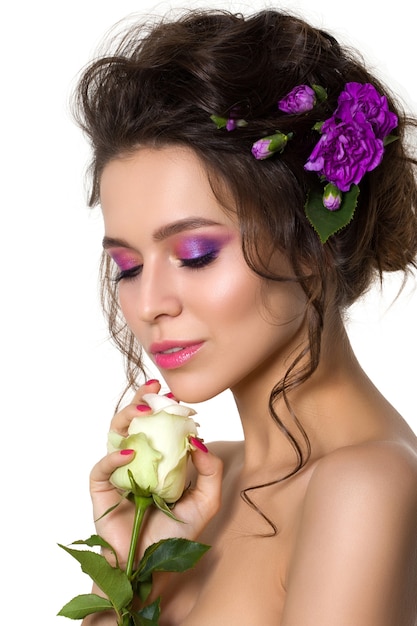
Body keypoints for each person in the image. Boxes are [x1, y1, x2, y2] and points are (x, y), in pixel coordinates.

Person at [73, 8, 417, 625]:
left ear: (313, 242)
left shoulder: (364, 487)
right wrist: (127, 572)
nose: (149, 303)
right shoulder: (204, 483)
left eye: (195, 254)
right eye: (127, 266)